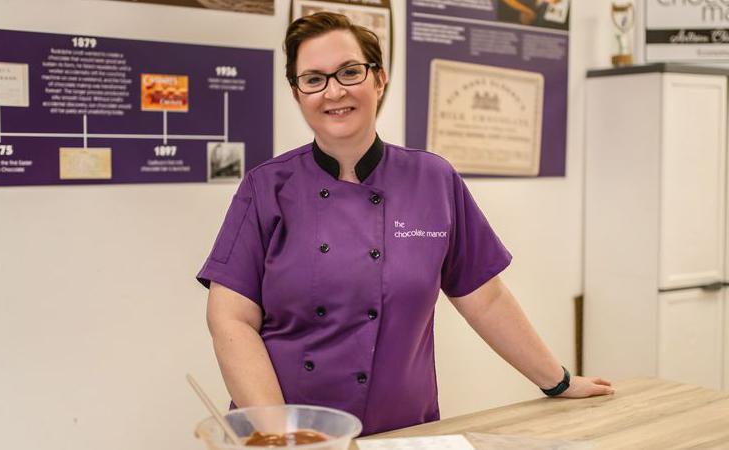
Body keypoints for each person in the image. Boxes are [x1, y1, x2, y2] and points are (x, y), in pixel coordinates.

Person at [197, 12, 612, 436]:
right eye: (313, 79)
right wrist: (279, 434)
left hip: (406, 433)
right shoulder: (266, 187)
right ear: (297, 93)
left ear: (379, 79)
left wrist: (557, 379)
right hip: (295, 435)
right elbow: (230, 319)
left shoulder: (434, 180)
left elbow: (484, 298)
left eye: (349, 72)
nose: (334, 91)